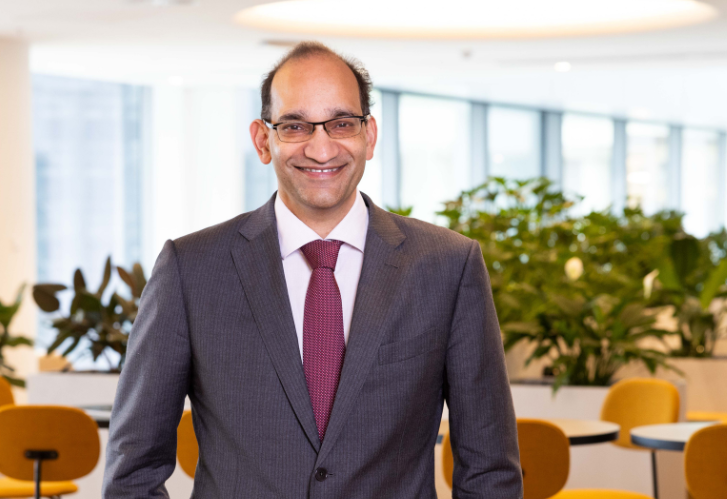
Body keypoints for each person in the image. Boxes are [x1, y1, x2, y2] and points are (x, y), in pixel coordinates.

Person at [103, 41, 522, 498]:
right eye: (295, 126)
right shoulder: (191, 270)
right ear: (264, 140)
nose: (321, 149)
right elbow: (134, 472)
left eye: (342, 123)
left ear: (370, 135)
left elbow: (489, 471)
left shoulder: (447, 266)